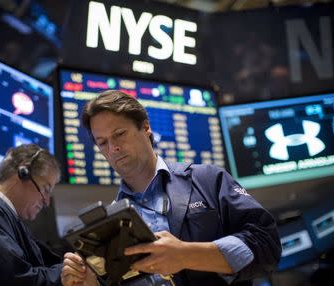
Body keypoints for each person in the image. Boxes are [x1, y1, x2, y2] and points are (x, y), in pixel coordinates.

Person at [77, 90, 281, 285]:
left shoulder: (208, 179)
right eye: (102, 143)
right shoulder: (111, 224)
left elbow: (266, 244)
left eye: (119, 134)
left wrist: (187, 255)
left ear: (146, 128)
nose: (113, 149)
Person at [0, 144, 95, 286]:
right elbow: (15, 280)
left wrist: (77, 266)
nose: (47, 201)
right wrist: (65, 274)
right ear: (23, 173)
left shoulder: (5, 220)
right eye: (46, 189)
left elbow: (50, 265)